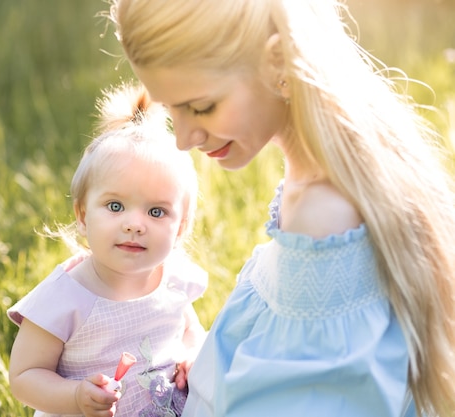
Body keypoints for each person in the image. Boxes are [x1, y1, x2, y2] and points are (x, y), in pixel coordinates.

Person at [105, 0, 455, 416]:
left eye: (201, 107)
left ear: (279, 62)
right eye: (170, 108)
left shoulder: (322, 216)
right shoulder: (327, 172)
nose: (183, 138)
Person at [7, 82, 208, 417]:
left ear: (181, 227)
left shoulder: (174, 280)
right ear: (83, 216)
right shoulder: (66, 298)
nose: (134, 224)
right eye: (115, 206)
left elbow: (189, 330)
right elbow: (25, 376)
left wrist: (192, 354)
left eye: (156, 212)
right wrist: (74, 397)